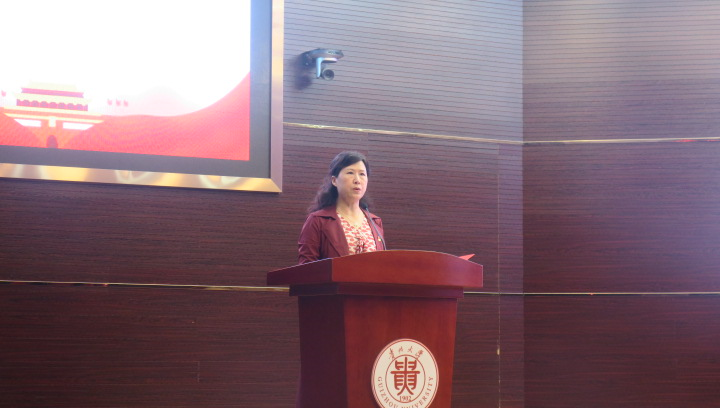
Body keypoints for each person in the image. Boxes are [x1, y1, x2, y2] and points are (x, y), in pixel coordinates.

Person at [298, 151, 385, 264]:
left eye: (362, 174)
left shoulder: (375, 222)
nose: (357, 180)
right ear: (334, 181)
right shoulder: (318, 220)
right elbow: (306, 268)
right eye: (350, 173)